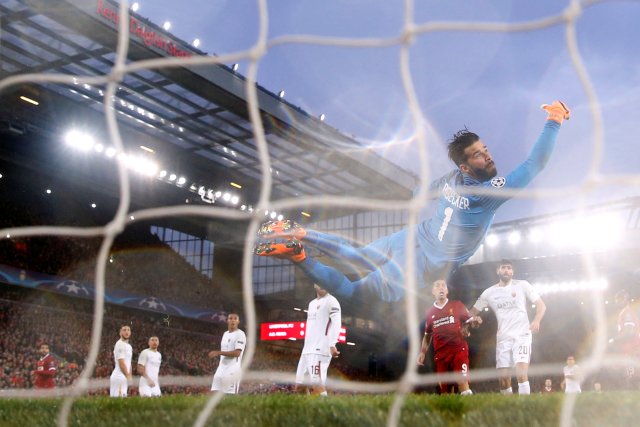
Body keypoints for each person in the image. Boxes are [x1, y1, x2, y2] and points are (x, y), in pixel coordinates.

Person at [255, 101, 570, 302]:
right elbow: (533, 165)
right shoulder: (486, 194)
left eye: (484, 148)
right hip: (421, 263)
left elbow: (427, 190)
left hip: (414, 236)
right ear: (464, 166)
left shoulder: (451, 179)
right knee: (352, 293)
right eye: (478, 153)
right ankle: (299, 254)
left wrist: (417, 198)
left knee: (361, 254)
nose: (487, 154)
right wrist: (554, 121)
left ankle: (303, 233)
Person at [470, 259, 546, 395]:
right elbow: (472, 313)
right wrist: (473, 319)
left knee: (521, 373)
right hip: (503, 338)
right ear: (498, 271)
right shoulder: (489, 293)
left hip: (522, 335)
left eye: (509, 268)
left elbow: (541, 305)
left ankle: (525, 407)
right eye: (504, 268)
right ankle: (509, 406)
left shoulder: (523, 285)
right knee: (503, 379)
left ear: (513, 271)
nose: (507, 270)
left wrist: (537, 320)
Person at [416, 279, 482, 395]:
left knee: (462, 382)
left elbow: (471, 320)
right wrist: (422, 352)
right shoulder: (430, 313)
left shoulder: (457, 305)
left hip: (458, 350)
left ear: (447, 291)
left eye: (443, 286)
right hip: (441, 355)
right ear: (433, 291)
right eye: (437, 286)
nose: (441, 288)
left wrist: (475, 322)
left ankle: (469, 408)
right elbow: (427, 335)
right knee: (445, 391)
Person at [295, 283, 342, 395]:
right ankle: (305, 411)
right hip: (307, 350)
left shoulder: (332, 301)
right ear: (314, 285)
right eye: (319, 282)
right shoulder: (312, 304)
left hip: (320, 350)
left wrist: (332, 344)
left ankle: (325, 411)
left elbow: (337, 323)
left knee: (317, 385)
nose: (322, 284)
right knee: (299, 386)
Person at [209, 312, 246, 394]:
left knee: (229, 398)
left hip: (232, 371)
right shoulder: (225, 334)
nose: (233, 320)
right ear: (227, 321)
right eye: (230, 318)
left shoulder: (240, 334)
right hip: (221, 369)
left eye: (235, 319)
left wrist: (219, 352)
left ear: (238, 322)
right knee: (214, 395)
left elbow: (237, 353)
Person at [609, 289, 640, 389]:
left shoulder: (627, 312)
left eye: (619, 299)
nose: (617, 302)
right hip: (630, 349)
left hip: (632, 348)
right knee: (630, 376)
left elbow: (629, 332)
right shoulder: (625, 312)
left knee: (632, 377)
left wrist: (614, 340)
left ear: (625, 300)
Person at [110, 324, 133, 397]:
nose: (126, 332)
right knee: (116, 405)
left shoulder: (129, 346)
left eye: (128, 330)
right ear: (120, 332)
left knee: (122, 404)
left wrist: (130, 376)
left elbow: (128, 363)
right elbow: (121, 363)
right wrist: (128, 376)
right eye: (124, 330)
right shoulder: (120, 344)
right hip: (118, 377)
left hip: (124, 377)